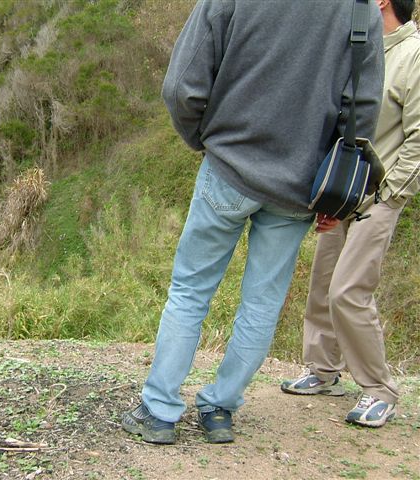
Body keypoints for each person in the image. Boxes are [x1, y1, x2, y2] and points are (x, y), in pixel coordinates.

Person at [121, 0, 384, 445]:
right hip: (299, 188)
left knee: (190, 290)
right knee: (262, 303)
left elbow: (182, 85)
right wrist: (332, 194)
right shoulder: (361, 9)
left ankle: (160, 410)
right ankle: (220, 408)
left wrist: (205, 141)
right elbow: (360, 110)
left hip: (229, 168)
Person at [281, 0, 419, 428]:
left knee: (348, 291)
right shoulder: (361, 46)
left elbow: (418, 138)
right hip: (342, 193)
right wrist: (330, 197)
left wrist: (388, 195)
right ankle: (323, 370)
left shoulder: (413, 55)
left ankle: (379, 390)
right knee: (323, 283)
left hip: (378, 198)